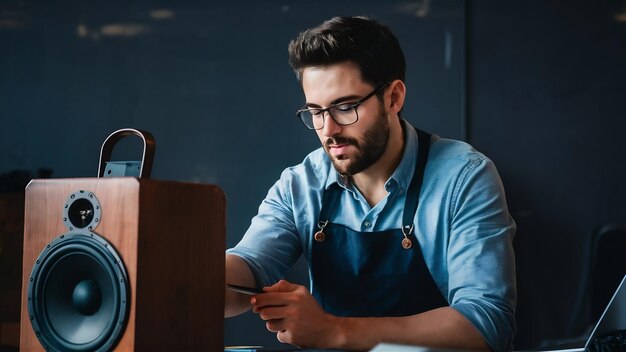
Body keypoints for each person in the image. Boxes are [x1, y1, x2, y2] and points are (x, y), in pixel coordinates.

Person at [225, 16, 516, 351]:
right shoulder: (300, 185)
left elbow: (487, 323)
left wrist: (334, 330)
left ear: (393, 97)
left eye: (345, 107)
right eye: (316, 112)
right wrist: (185, 274)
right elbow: (246, 268)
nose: (328, 130)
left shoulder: (465, 177)